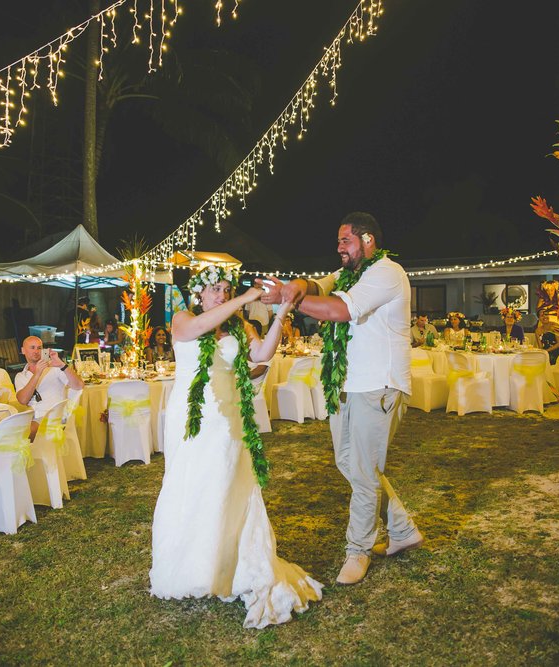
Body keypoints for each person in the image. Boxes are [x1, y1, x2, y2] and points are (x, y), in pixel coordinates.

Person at [149, 264, 322, 629]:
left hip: (229, 418)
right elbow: (198, 328)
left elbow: (262, 356)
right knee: (192, 483)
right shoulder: (183, 319)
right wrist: (244, 298)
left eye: (227, 291)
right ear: (200, 294)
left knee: (229, 483)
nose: (222, 296)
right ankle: (193, 565)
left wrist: (281, 314)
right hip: (192, 417)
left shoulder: (240, 327)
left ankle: (232, 561)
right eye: (216, 290)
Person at [261, 212, 423, 586]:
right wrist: (293, 286)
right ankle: (402, 529)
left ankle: (358, 550)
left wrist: (288, 302)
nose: (339, 248)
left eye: (345, 241)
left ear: (367, 240)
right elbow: (317, 286)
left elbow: (340, 310)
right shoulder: (348, 274)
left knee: (364, 472)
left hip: (379, 385)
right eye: (338, 242)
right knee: (348, 461)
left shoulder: (386, 272)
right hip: (348, 385)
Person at [14, 336, 84, 440]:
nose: (36, 351)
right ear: (23, 350)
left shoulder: (55, 368)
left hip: (54, 416)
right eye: (32, 347)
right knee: (9, 431)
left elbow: (79, 385)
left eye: (39, 348)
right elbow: (23, 400)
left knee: (21, 435)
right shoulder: (21, 376)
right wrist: (37, 374)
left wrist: (62, 365)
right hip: (33, 417)